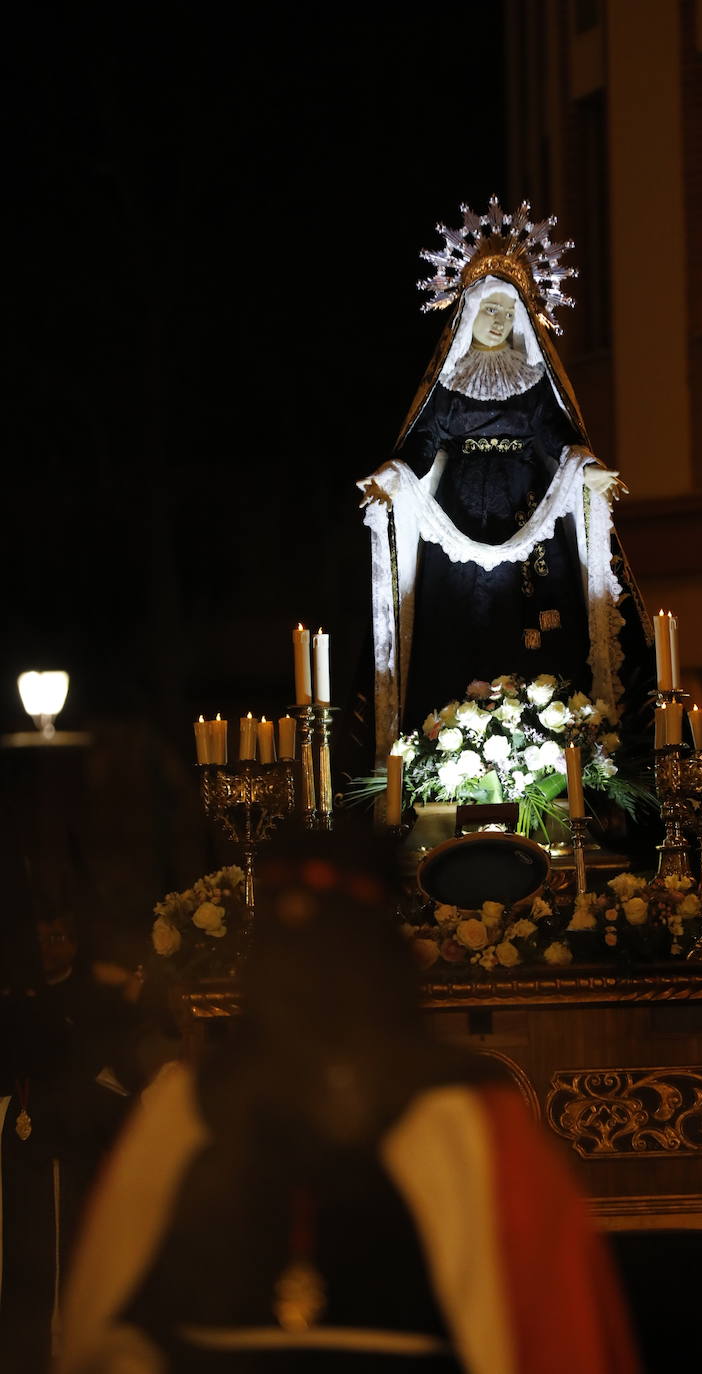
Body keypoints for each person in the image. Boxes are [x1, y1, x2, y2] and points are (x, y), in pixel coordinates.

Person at [55, 826, 643, 1374]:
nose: (310, 983)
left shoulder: (463, 1116)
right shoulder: (184, 1111)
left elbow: (550, 1337)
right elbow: (102, 1338)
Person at [357, 197, 652, 767]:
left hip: (525, 510)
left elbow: (554, 441)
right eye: (489, 310)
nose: (498, 321)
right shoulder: (448, 384)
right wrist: (390, 478)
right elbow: (420, 445)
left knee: (530, 624)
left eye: (506, 312)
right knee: (457, 619)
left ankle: (547, 743)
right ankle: (446, 741)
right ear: (468, 313)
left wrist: (587, 470)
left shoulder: (535, 381)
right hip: (457, 516)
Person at [0, 909, 140, 1373]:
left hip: (74, 1132)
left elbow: (111, 1073)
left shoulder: (93, 998)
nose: (47, 947)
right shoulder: (17, 995)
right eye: (40, 938)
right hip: (24, 1130)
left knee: (68, 1251)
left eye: (57, 937)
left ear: (75, 945)